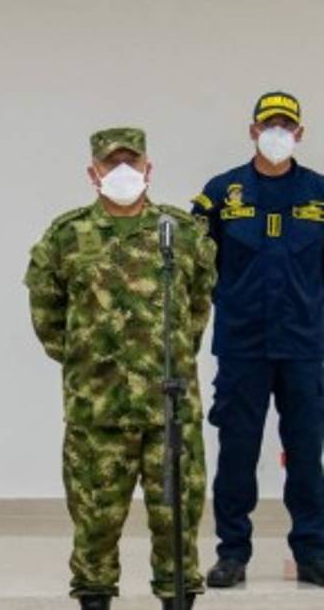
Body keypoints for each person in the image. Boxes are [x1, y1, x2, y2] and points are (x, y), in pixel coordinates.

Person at [26, 127, 216, 610]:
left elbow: (198, 307)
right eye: (112, 163)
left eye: (132, 162)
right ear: (93, 172)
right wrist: (88, 363)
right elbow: (47, 315)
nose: (123, 171)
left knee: (177, 523)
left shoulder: (183, 233)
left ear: (149, 169)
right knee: (94, 525)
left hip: (170, 409)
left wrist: (168, 354)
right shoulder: (67, 236)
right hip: (98, 411)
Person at [191, 92, 324, 588]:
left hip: (303, 347)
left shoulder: (319, 194)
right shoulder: (221, 194)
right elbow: (195, 266)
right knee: (237, 453)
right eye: (269, 125)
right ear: (252, 130)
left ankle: (313, 552)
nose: (277, 133)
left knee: (306, 454)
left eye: (287, 126)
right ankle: (232, 553)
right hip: (242, 346)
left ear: (300, 133)